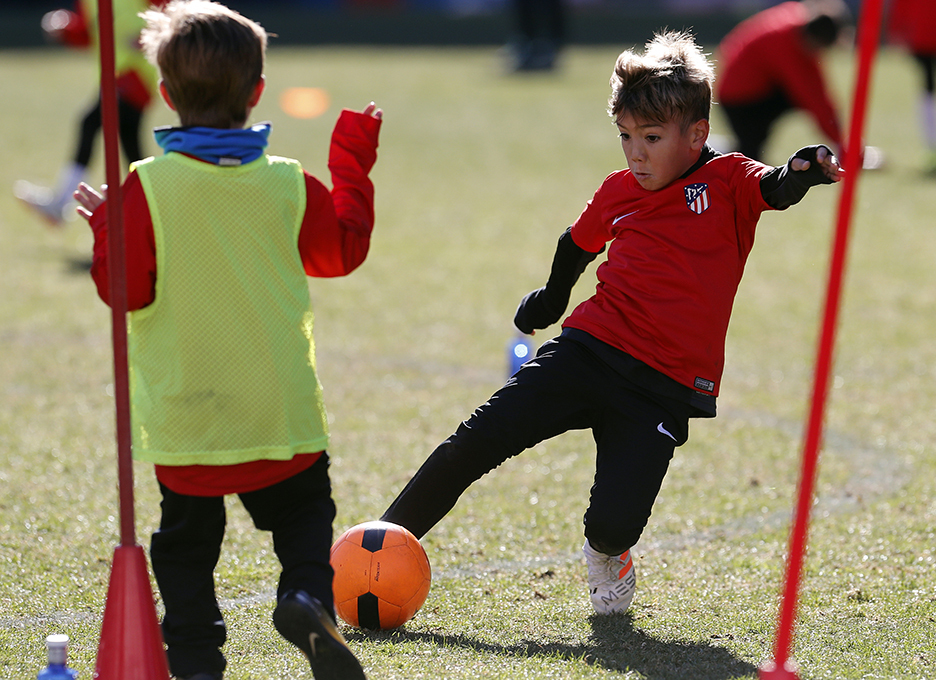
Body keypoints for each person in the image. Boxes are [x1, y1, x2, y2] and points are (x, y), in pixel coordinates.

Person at [380, 31, 843, 616]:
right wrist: (551, 300)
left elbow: (774, 187)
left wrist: (801, 172)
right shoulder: (619, 191)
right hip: (588, 351)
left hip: (664, 386)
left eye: (651, 139)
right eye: (626, 137)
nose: (636, 154)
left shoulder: (726, 180)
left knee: (613, 522)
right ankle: (373, 547)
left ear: (696, 134)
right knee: (470, 446)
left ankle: (610, 556)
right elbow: (576, 243)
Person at [74, 2, 382, 678]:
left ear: (165, 92)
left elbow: (124, 291)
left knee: (185, 545)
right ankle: (305, 594)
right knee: (304, 517)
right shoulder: (286, 183)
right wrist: (353, 158)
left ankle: (192, 652)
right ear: (257, 93)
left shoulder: (144, 188)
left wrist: (107, 226)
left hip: (189, 414)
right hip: (278, 411)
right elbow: (344, 251)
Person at [15, 0, 166, 226]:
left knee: (90, 123)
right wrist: (66, 29)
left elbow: (172, 12)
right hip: (112, 77)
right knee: (131, 148)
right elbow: (92, 32)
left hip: (136, 77)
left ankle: (61, 202)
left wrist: (151, 35)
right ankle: (158, 212)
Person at [716, 0, 852, 162]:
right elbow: (813, 97)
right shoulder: (786, 45)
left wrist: (842, 143)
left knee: (750, 154)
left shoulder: (796, 19)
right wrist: (843, 144)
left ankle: (723, 151)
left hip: (747, 89)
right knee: (750, 159)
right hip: (740, 99)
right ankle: (715, 153)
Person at [888, 0, 936, 174]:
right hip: (922, 36)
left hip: (922, 35)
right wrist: (897, 29)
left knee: (928, 91)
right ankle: (932, 147)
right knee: (928, 91)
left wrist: (897, 29)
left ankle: (933, 147)